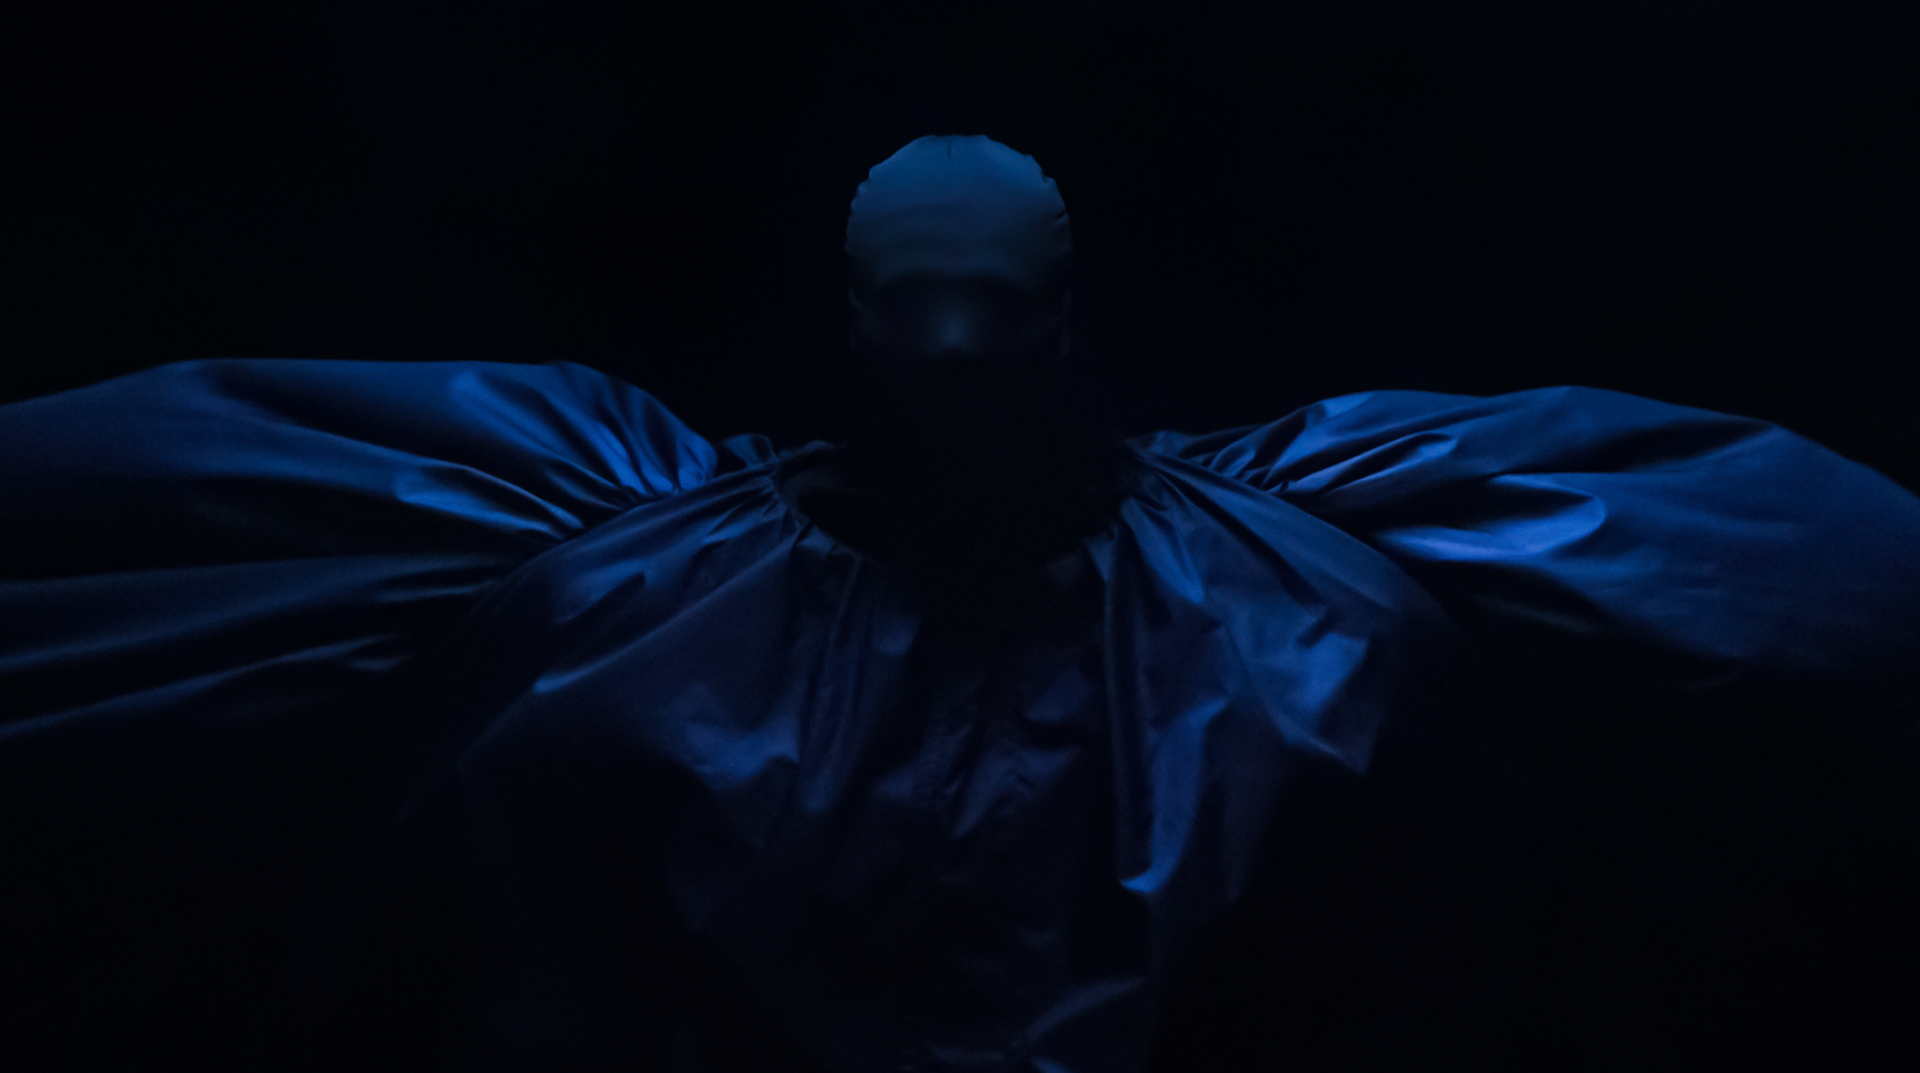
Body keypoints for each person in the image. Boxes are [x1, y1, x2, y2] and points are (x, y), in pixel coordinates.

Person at [1, 135, 1916, 1072]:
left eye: (995, 320)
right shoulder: (602, 577)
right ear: (845, 321)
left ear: (1069, 324)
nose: (951, 364)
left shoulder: (1319, 599)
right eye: (912, 318)